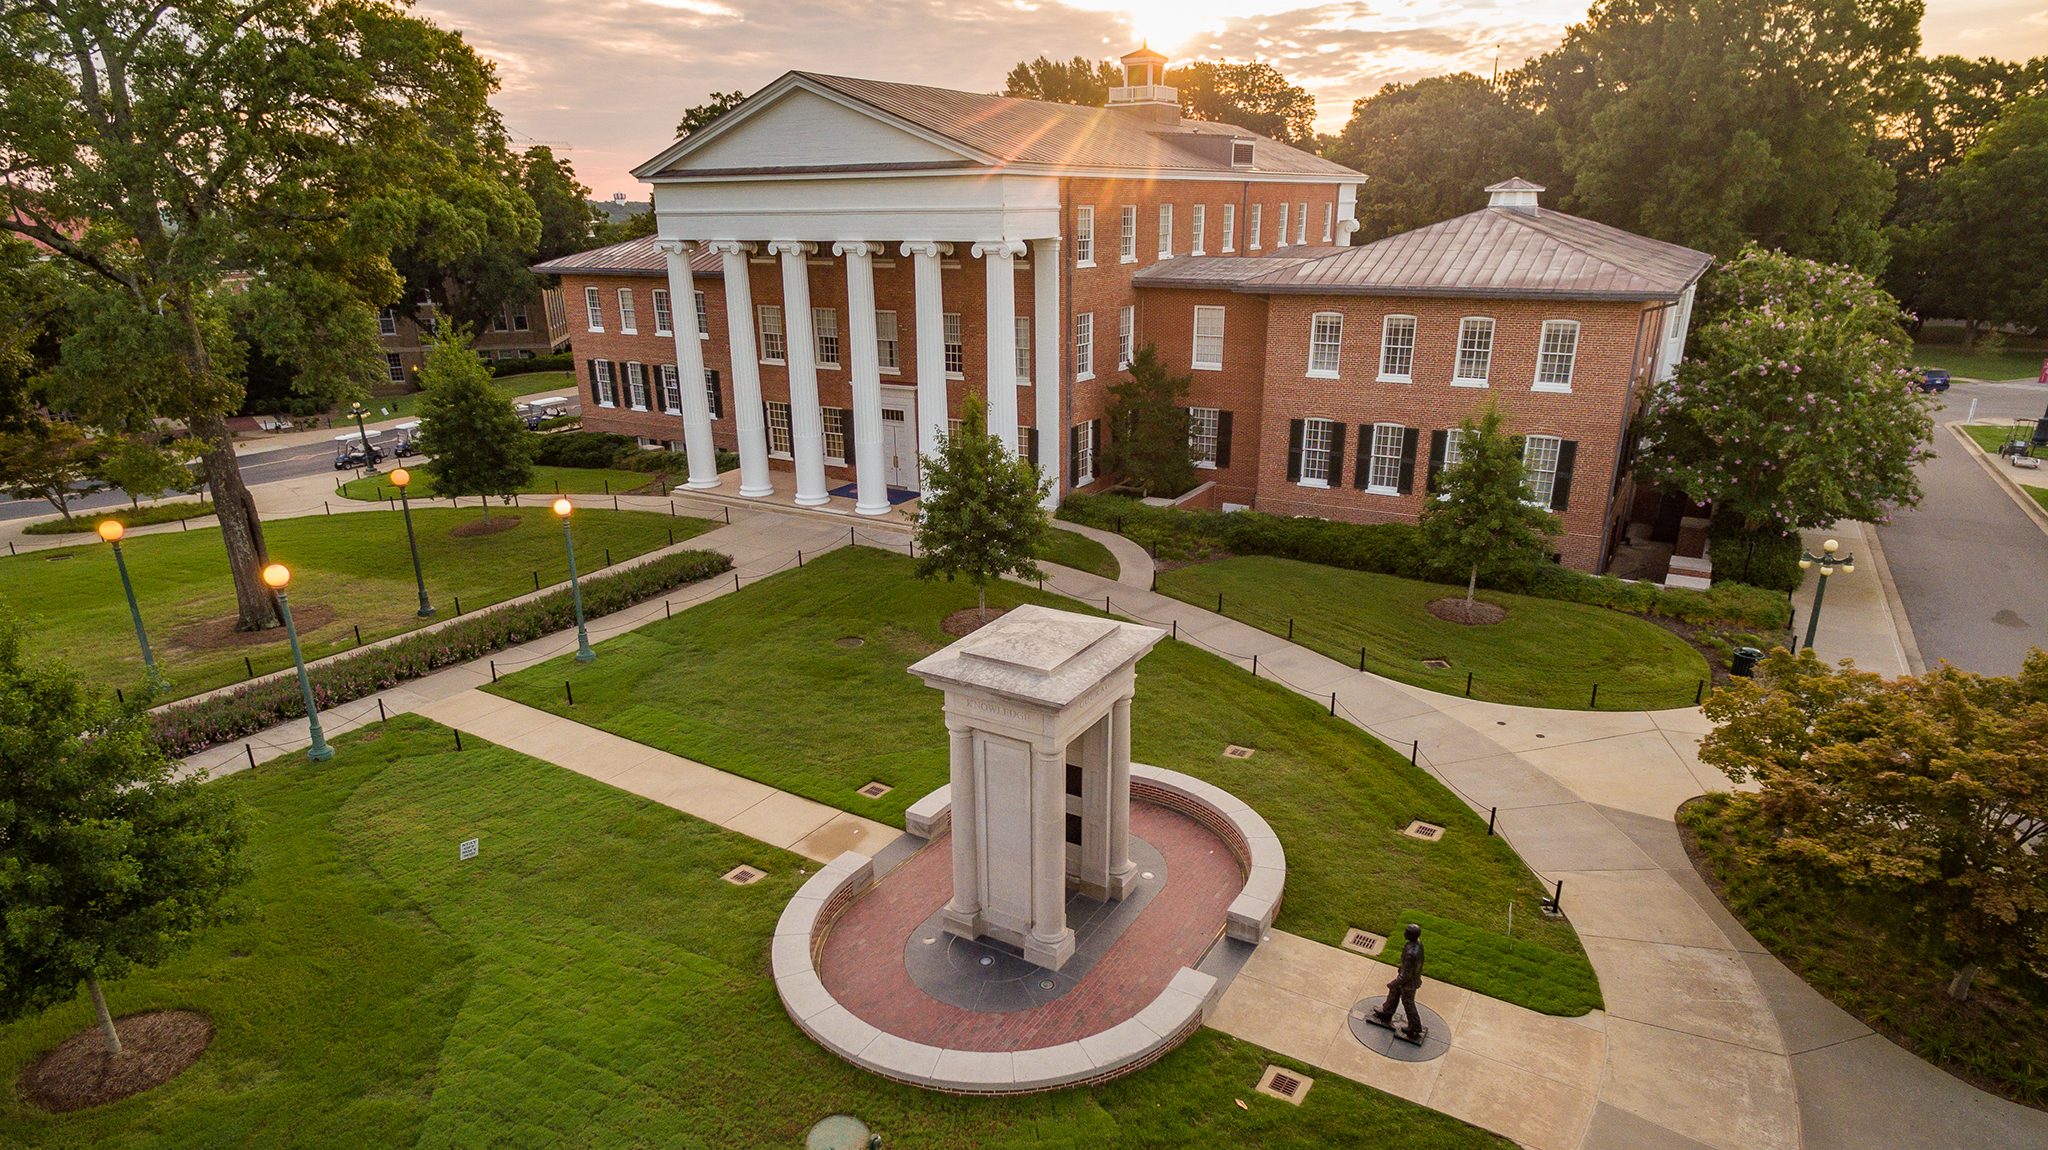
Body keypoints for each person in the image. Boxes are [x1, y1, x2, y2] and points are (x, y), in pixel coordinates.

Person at [1368, 923, 1426, 1041]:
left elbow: (1405, 976)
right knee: (1394, 992)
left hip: (1408, 982)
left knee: (1408, 1002)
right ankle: (1387, 1011)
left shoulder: (1411, 954)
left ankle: (1414, 1026)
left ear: (1410, 935)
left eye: (1406, 931)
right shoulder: (1417, 944)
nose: (1404, 933)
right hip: (1409, 977)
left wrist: (1393, 983)